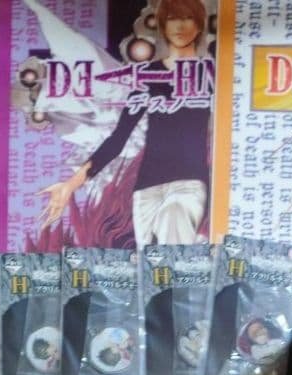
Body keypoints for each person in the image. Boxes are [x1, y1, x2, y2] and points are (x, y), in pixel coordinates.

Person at [39, 0, 211, 246]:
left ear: (199, 24)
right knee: (150, 264)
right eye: (172, 18)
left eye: (187, 18)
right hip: (147, 190)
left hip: (189, 184)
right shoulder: (148, 77)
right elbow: (118, 138)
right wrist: (70, 185)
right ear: (163, 25)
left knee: (173, 225)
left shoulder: (211, 74)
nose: (180, 26)